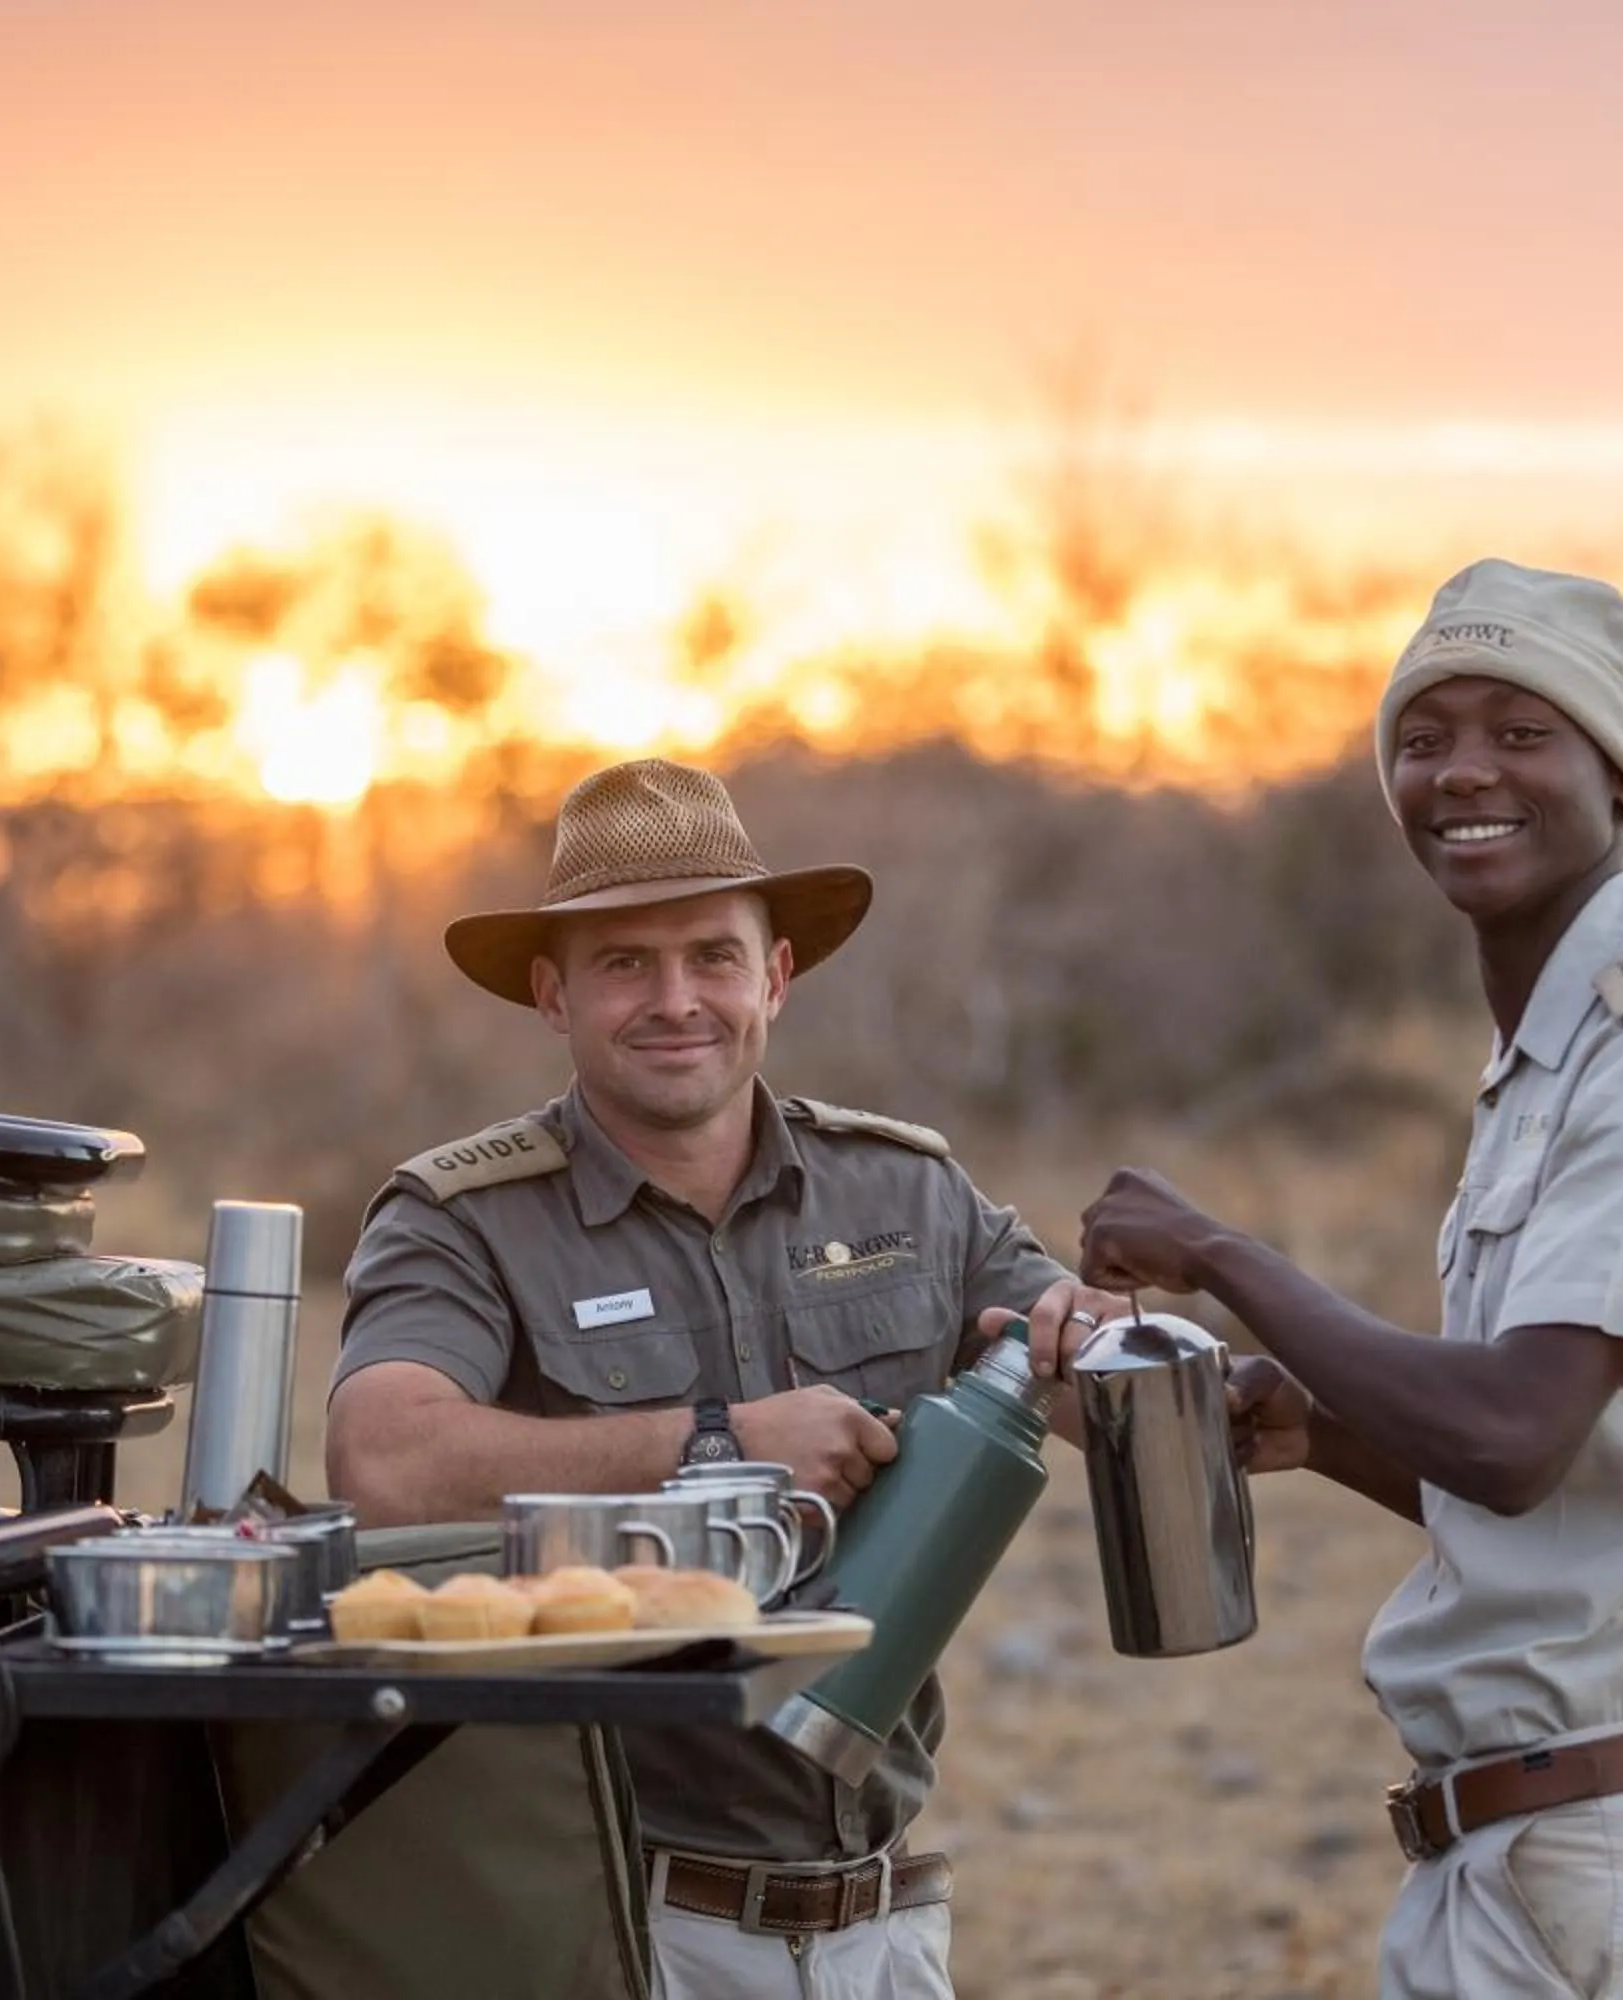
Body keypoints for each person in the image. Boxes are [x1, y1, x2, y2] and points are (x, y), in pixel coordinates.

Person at [1036, 558, 1623, 1999]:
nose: (1460, 772)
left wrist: (1225, 1259)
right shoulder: (1549, 1058)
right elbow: (1571, 1475)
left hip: (1612, 1849)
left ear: (1619, 778)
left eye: (1519, 732)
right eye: (1424, 741)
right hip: (1530, 1840)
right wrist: (1313, 1425)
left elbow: (1509, 1435)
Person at [326, 756, 1123, 2000]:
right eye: (623, 964)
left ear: (777, 976)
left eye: (712, 954)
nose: (675, 999)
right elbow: (385, 1462)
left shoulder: (907, 1189)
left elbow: (1089, 1383)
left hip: (888, 1922)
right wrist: (717, 1436)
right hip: (609, 1925)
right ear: (553, 995)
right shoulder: (464, 1217)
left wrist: (1114, 1328)